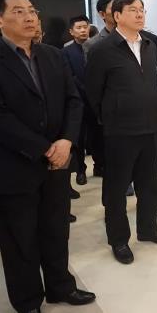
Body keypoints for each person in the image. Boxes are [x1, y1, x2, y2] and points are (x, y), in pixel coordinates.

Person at [0, 0, 95, 312]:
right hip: (13, 166)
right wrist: (45, 149)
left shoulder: (52, 55)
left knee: (56, 230)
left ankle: (60, 286)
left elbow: (73, 101)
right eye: (18, 11)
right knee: (19, 240)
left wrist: (66, 141)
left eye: (32, 10)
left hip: (57, 162)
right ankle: (27, 301)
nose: (29, 17)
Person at [86, 0, 157, 265]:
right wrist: (111, 115)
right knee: (116, 189)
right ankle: (119, 239)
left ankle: (148, 229)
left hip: (150, 127)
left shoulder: (150, 43)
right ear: (117, 15)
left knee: (149, 184)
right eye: (133, 10)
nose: (139, 14)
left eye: (142, 9)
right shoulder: (102, 49)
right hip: (120, 131)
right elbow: (93, 92)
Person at [82, 0, 117, 177]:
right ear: (103, 14)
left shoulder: (140, 39)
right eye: (114, 7)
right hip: (109, 106)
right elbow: (93, 81)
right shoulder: (93, 44)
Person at [62, 15, 91, 190]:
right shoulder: (66, 51)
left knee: (99, 135)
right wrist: (85, 89)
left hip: (97, 99)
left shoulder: (97, 47)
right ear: (71, 31)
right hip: (78, 100)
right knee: (79, 137)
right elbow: (69, 76)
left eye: (85, 27)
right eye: (79, 28)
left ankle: (100, 165)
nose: (83, 30)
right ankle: (81, 170)